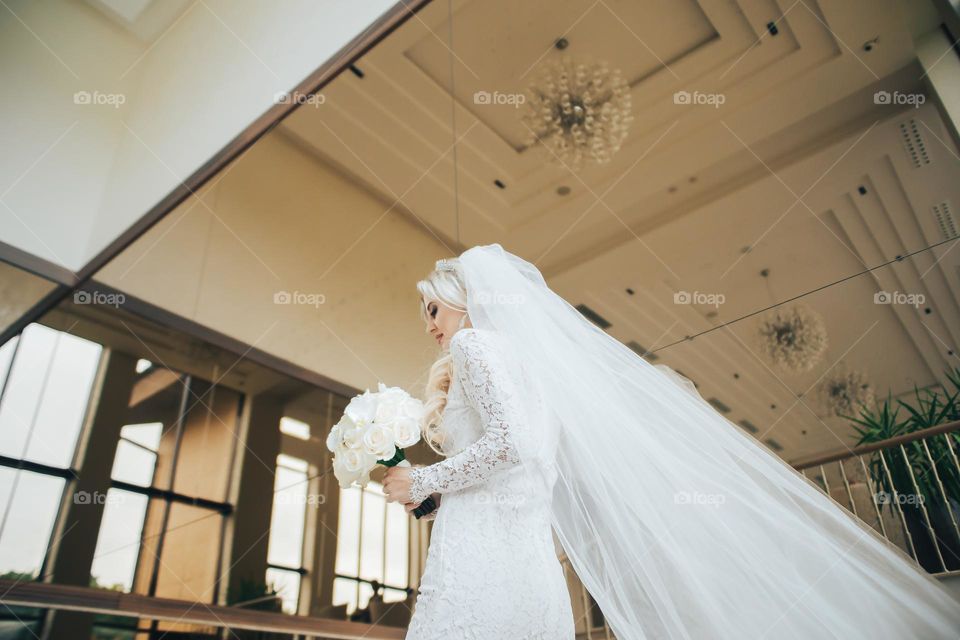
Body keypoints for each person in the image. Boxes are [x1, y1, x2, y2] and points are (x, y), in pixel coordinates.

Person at [383, 243, 960, 639]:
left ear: (464, 300)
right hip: (521, 554)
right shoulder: (530, 366)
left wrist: (422, 478)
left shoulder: (474, 346)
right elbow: (527, 461)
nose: (430, 325)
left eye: (433, 308)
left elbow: (514, 444)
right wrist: (435, 498)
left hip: (483, 553)